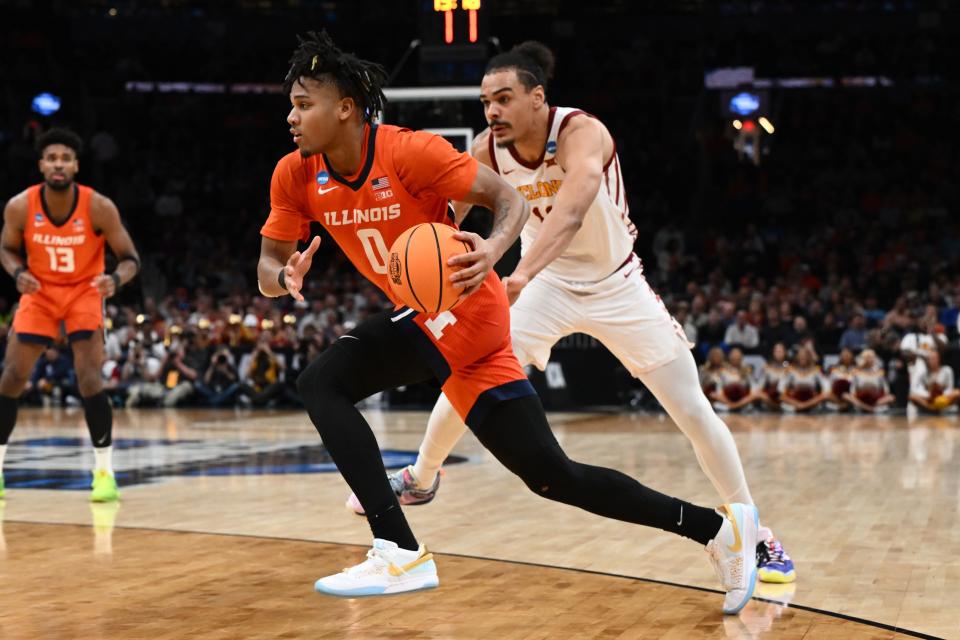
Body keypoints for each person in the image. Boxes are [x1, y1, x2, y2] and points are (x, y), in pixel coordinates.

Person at [258, 31, 759, 613]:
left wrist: (495, 253)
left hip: (464, 305)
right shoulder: (293, 174)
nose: (290, 116)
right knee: (552, 475)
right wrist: (282, 277)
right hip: (441, 321)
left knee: (323, 381)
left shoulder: (411, 151)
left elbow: (511, 203)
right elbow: (267, 263)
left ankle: (397, 547)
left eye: (302, 104)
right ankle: (718, 531)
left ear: (345, 107)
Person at [0, 128, 140, 502]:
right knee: (12, 378)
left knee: (89, 379)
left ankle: (105, 474)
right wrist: (17, 273)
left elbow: (130, 259)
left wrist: (114, 279)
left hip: (84, 291)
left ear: (76, 165)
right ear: (41, 165)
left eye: (65, 158)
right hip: (40, 293)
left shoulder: (98, 206)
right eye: (52, 158)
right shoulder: (19, 206)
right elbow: (6, 250)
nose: (58, 164)